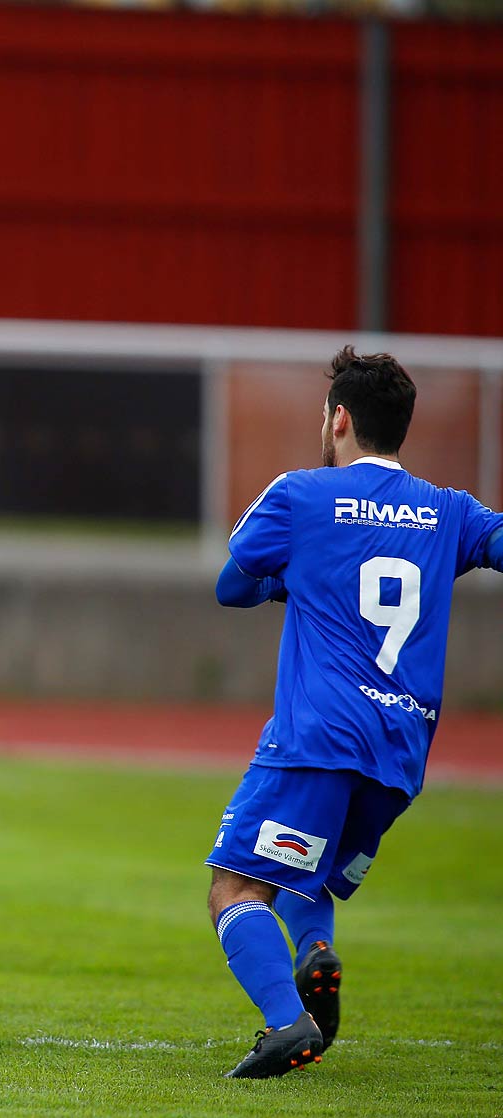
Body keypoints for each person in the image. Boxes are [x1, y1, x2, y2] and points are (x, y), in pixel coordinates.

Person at [209, 346, 503, 1079]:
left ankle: (286, 1025)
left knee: (236, 888)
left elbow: (232, 582)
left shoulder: (301, 494)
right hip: (400, 754)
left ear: (338, 418)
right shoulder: (450, 510)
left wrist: (290, 585)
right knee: (304, 876)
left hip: (318, 735)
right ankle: (313, 954)